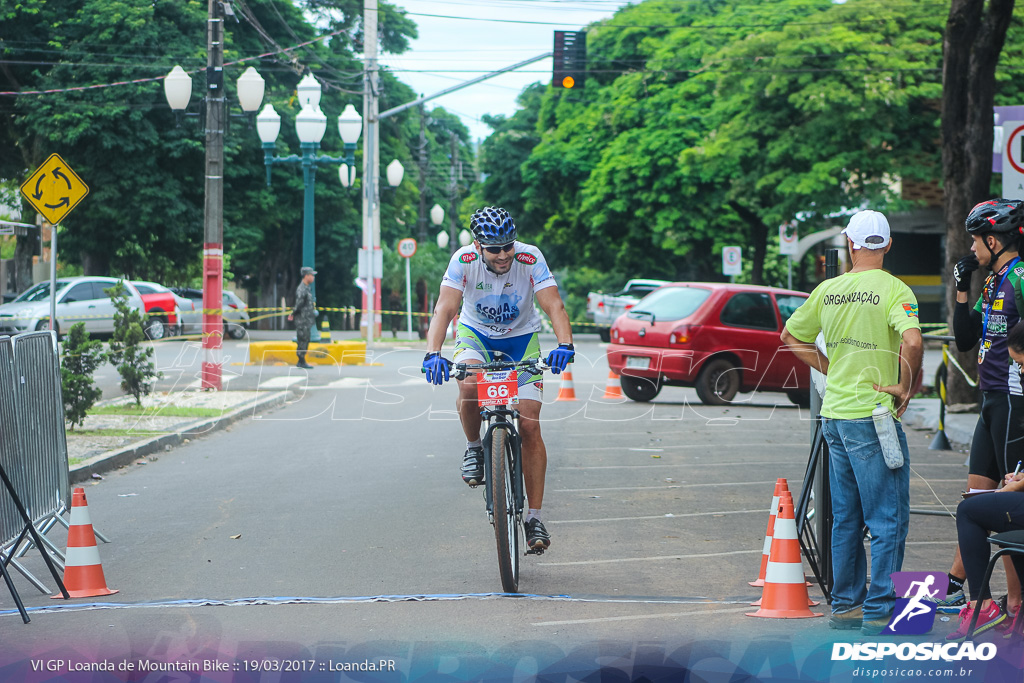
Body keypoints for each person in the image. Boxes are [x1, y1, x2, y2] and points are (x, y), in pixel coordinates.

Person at [781, 210, 923, 635]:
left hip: (835, 416)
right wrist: (905, 386)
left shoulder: (830, 289)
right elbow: (913, 339)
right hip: (873, 416)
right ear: (889, 245)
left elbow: (790, 337)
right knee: (887, 519)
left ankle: (846, 607)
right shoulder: (895, 289)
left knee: (846, 517)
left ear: (851, 244)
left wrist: (830, 366)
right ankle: (879, 609)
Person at [421, 207, 574, 552]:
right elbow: (444, 309)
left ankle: (534, 516)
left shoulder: (529, 257)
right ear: (478, 246)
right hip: (476, 335)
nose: (503, 254)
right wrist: (433, 352)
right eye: (494, 248)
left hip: (521, 340)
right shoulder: (462, 260)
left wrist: (565, 344)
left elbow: (554, 306)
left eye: (507, 245)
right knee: (470, 384)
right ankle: (475, 448)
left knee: (531, 425)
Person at [947, 198, 1024, 619]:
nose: (971, 248)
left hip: (1015, 403)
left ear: (993, 240)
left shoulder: (1021, 278)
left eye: (975, 240)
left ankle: (1015, 604)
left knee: (1010, 508)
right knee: (976, 500)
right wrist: (962, 289)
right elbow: (964, 339)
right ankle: (973, 594)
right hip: (989, 400)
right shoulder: (992, 281)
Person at [288, 266, 316, 369]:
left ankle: (302, 360)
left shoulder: (307, 288)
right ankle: (301, 360)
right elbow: (299, 303)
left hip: (306, 319)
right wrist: (293, 313)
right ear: (306, 276)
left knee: (306, 339)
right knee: (302, 339)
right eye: (311, 275)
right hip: (302, 320)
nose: (313, 277)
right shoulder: (302, 288)